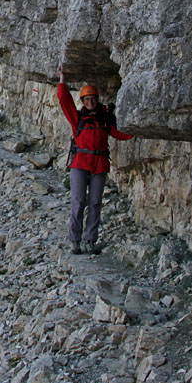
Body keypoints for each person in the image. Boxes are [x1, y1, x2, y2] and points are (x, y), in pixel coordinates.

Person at [56, 65, 133, 255]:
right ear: (82, 101)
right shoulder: (78, 118)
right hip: (81, 163)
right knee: (78, 201)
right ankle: (75, 240)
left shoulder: (105, 119)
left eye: (93, 99)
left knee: (95, 203)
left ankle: (90, 240)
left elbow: (119, 134)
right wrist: (62, 79)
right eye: (87, 99)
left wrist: (138, 130)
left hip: (98, 165)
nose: (90, 102)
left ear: (97, 100)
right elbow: (64, 101)